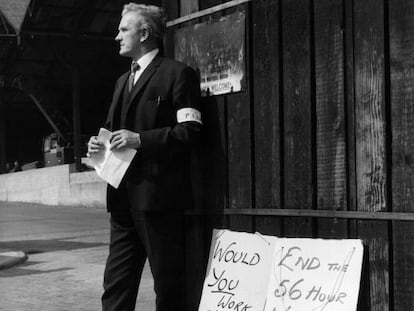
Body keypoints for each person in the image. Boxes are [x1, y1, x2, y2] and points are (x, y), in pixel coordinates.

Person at [87, 3, 202, 311]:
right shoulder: (121, 82)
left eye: (123, 29)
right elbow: (112, 132)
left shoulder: (178, 74)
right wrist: (99, 147)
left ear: (145, 33)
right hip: (122, 202)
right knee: (116, 286)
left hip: (159, 201)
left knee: (168, 286)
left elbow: (191, 131)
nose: (117, 36)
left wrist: (141, 140)